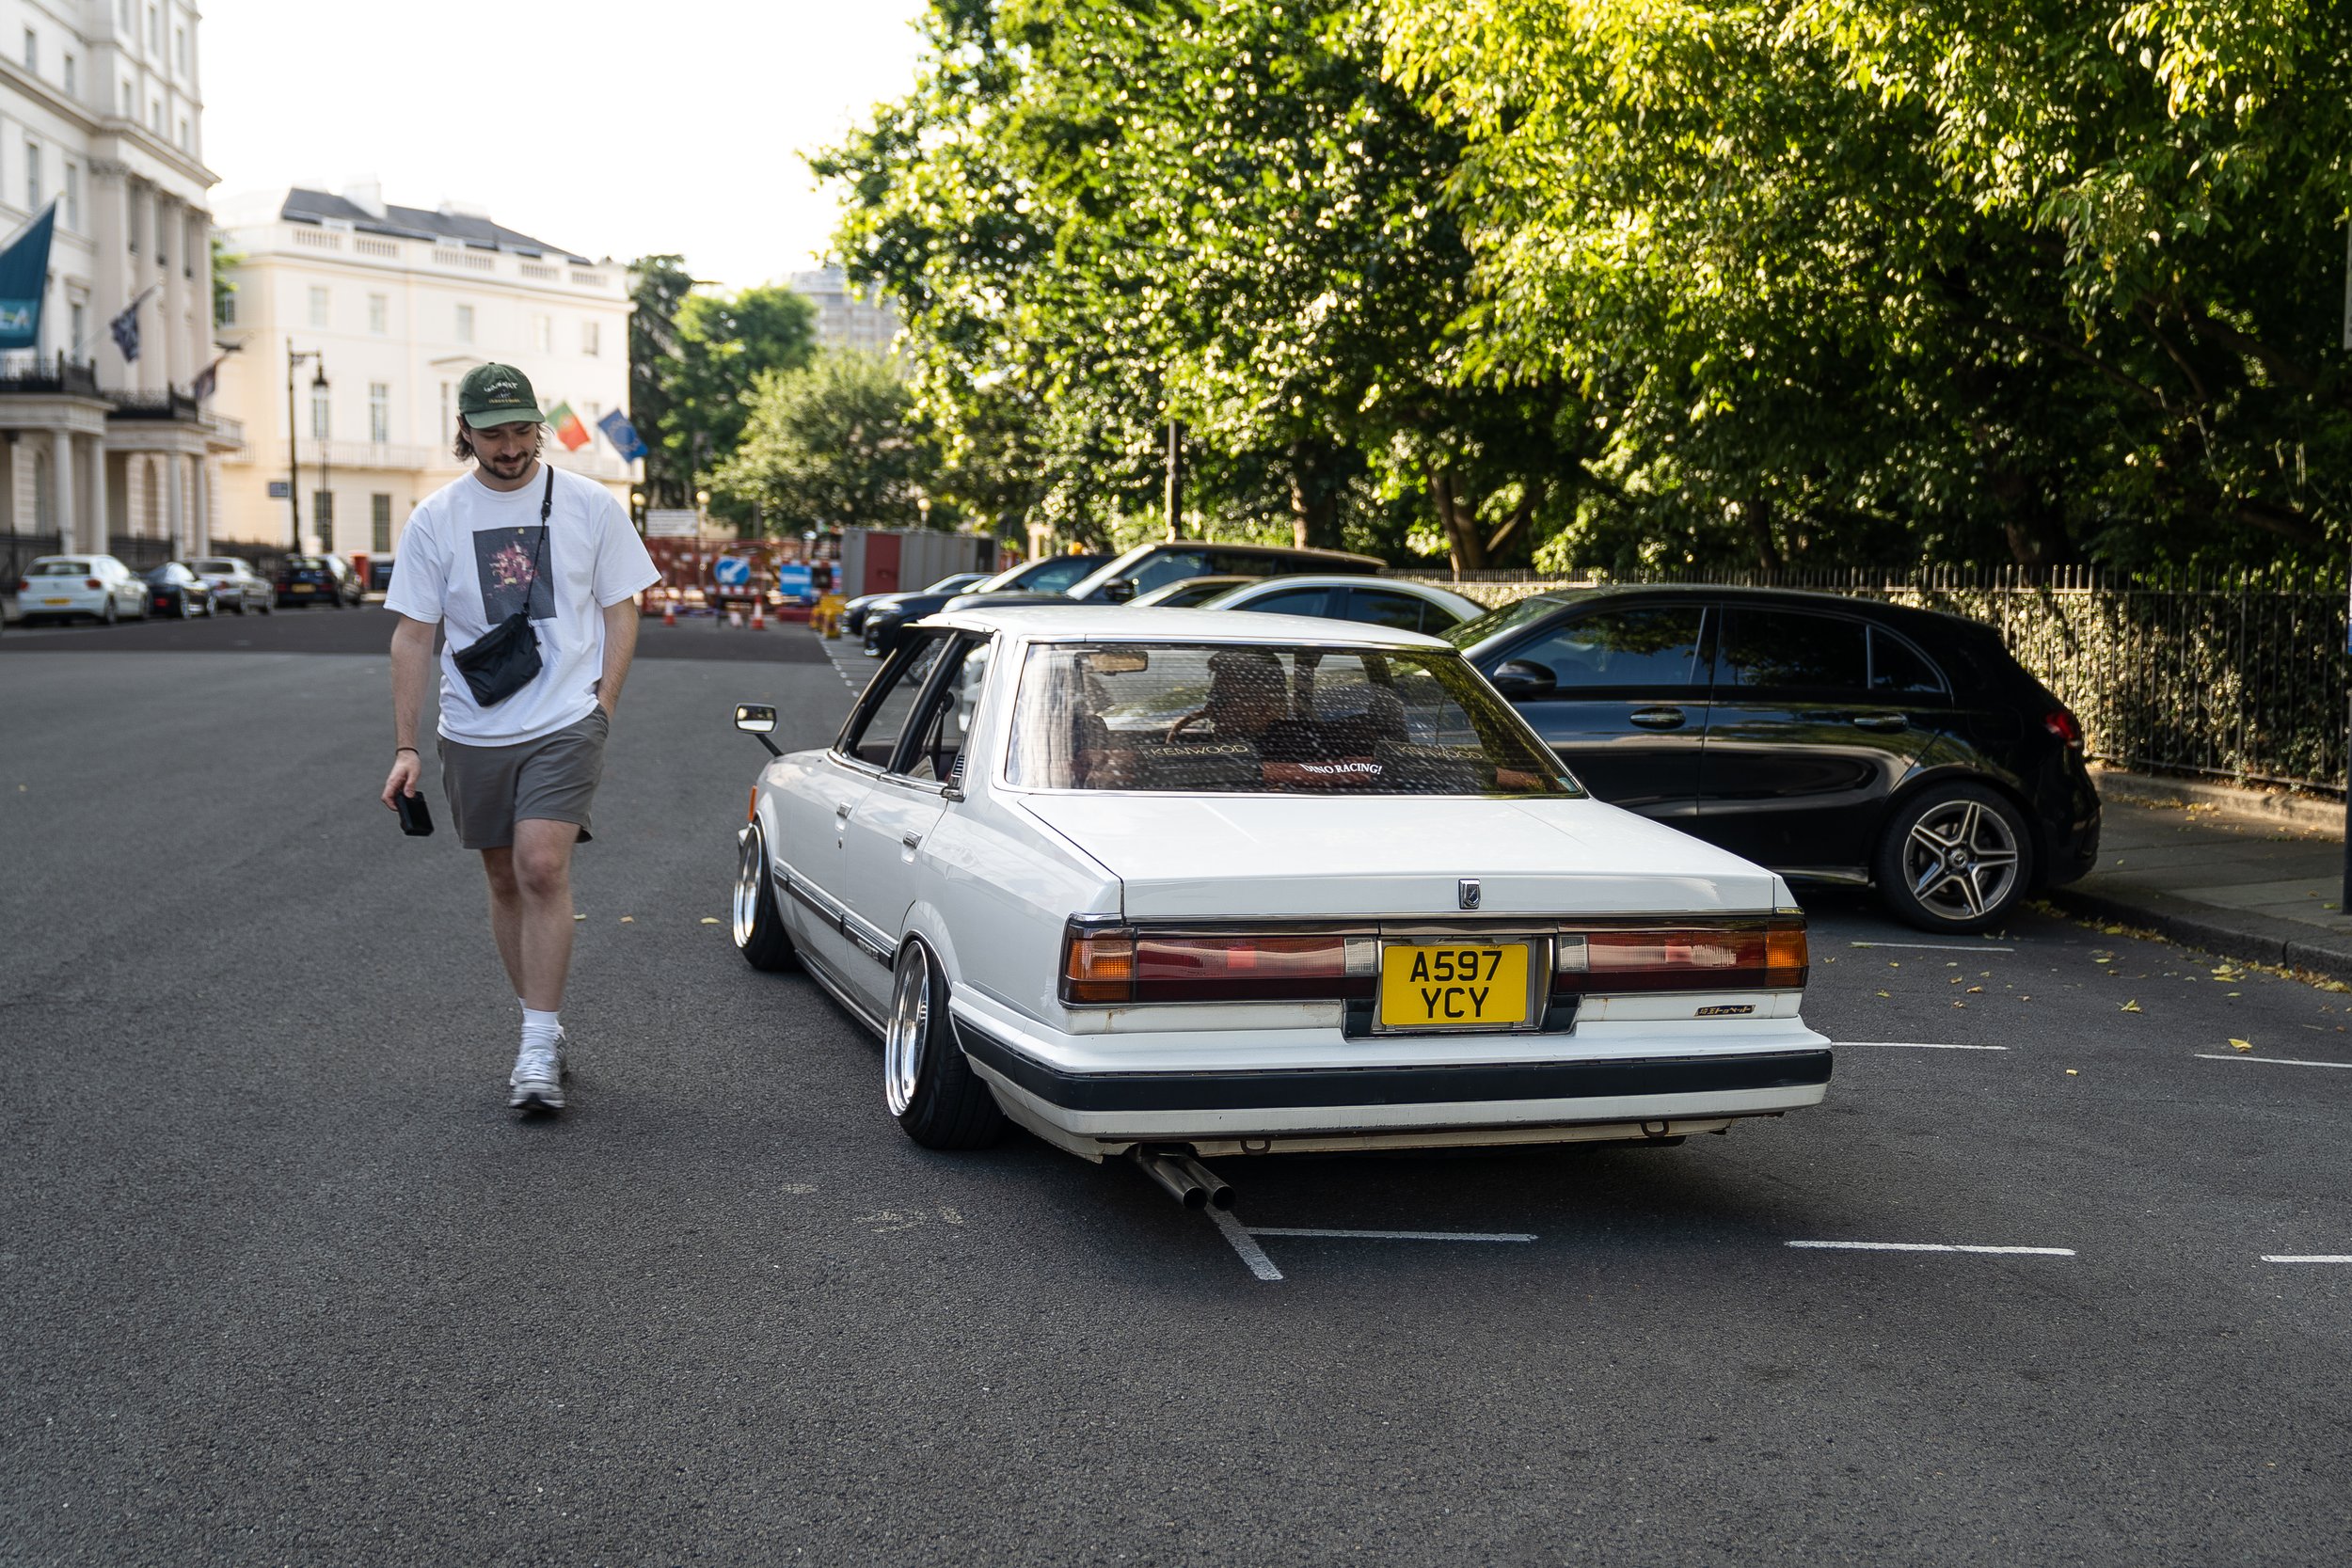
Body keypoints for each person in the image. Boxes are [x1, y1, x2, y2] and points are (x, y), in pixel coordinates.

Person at [378, 363, 660, 1114]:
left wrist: (602, 703)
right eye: (493, 432)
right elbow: (413, 635)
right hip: (472, 724)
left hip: (565, 718)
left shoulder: (590, 505)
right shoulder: (437, 518)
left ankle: (535, 1044)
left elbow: (621, 607)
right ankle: (544, 1022)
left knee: (541, 865)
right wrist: (407, 747)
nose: (510, 446)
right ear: (464, 431)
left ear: (539, 426)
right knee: (503, 877)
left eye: (522, 430)